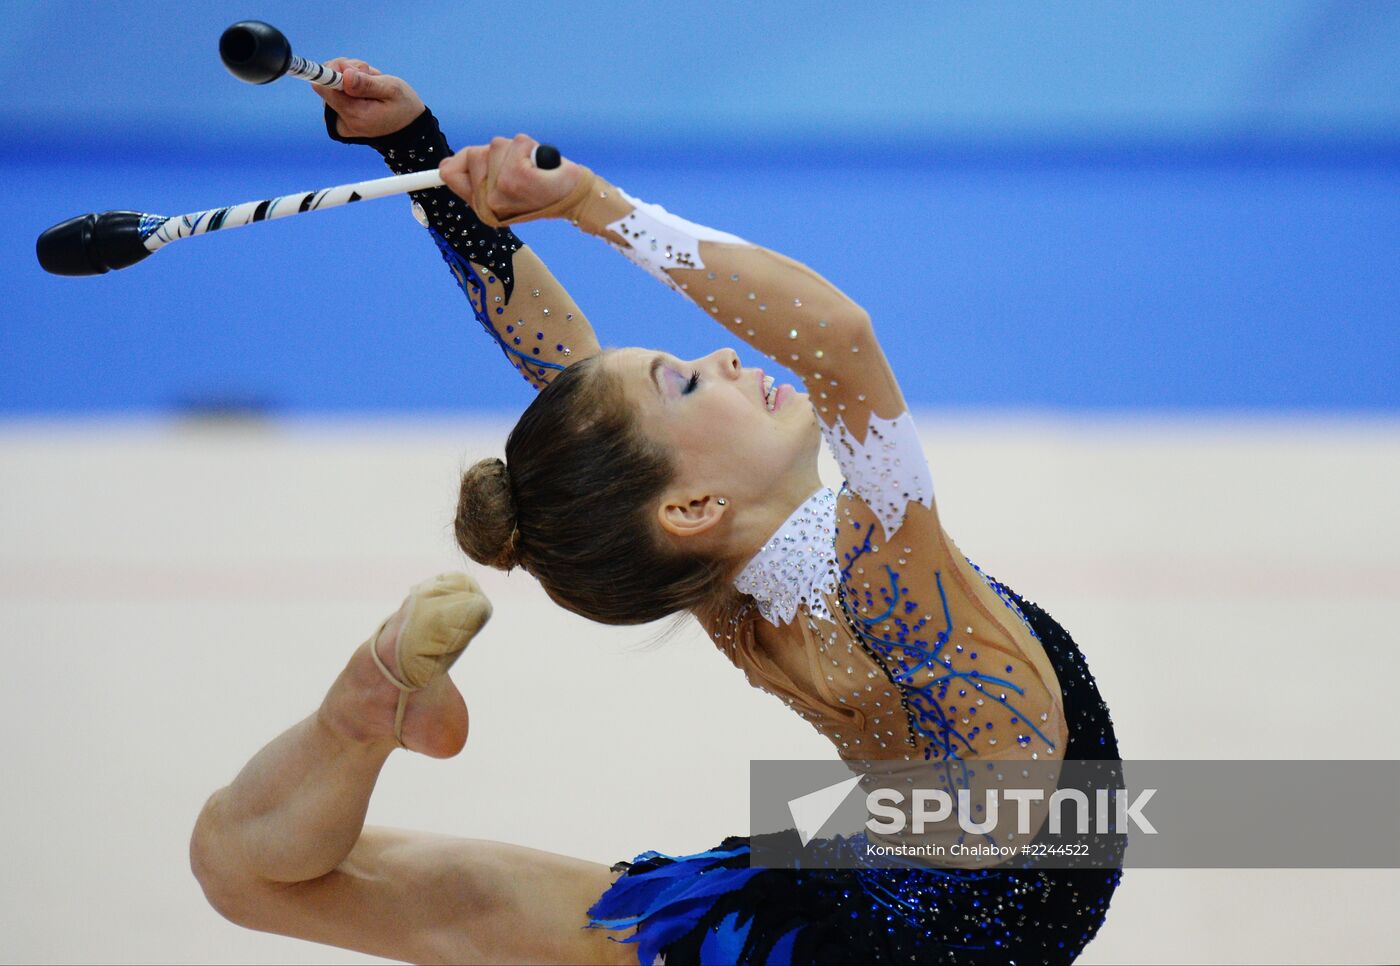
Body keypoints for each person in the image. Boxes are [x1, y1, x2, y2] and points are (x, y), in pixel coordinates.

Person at [190, 59, 1123, 965]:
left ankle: (359, 719)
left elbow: (563, 374)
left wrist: (417, 157)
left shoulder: (713, 574)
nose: (720, 358)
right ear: (695, 503)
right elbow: (838, 342)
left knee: (241, 870)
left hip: (824, 909)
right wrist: (596, 207)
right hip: (864, 929)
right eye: (681, 380)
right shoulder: (882, 576)